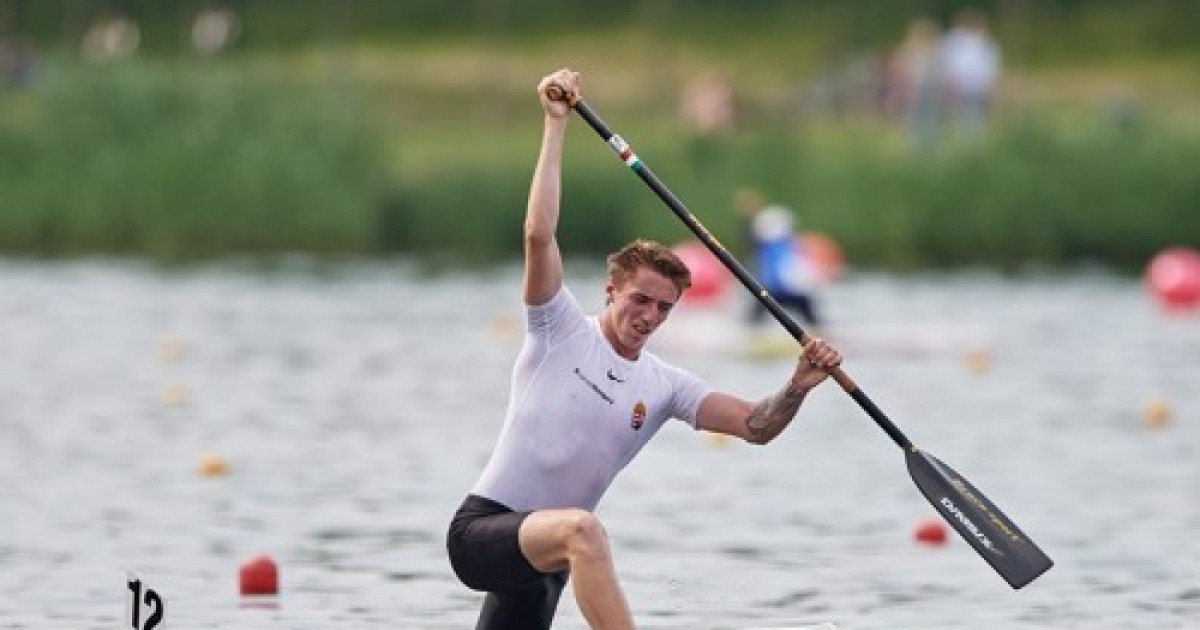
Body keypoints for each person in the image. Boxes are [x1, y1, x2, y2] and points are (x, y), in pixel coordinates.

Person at [446, 68, 843, 630]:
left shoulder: (664, 386)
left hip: (549, 564)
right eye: (640, 300)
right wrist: (554, 124)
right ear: (611, 290)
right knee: (584, 530)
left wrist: (798, 384)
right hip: (484, 532)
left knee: (575, 537)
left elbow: (756, 426)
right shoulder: (559, 328)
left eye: (664, 308)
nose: (649, 317)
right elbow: (538, 235)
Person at [734, 189, 822, 329]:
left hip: (775, 293)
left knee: (751, 323)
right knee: (814, 322)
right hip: (791, 293)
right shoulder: (791, 244)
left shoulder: (767, 246)